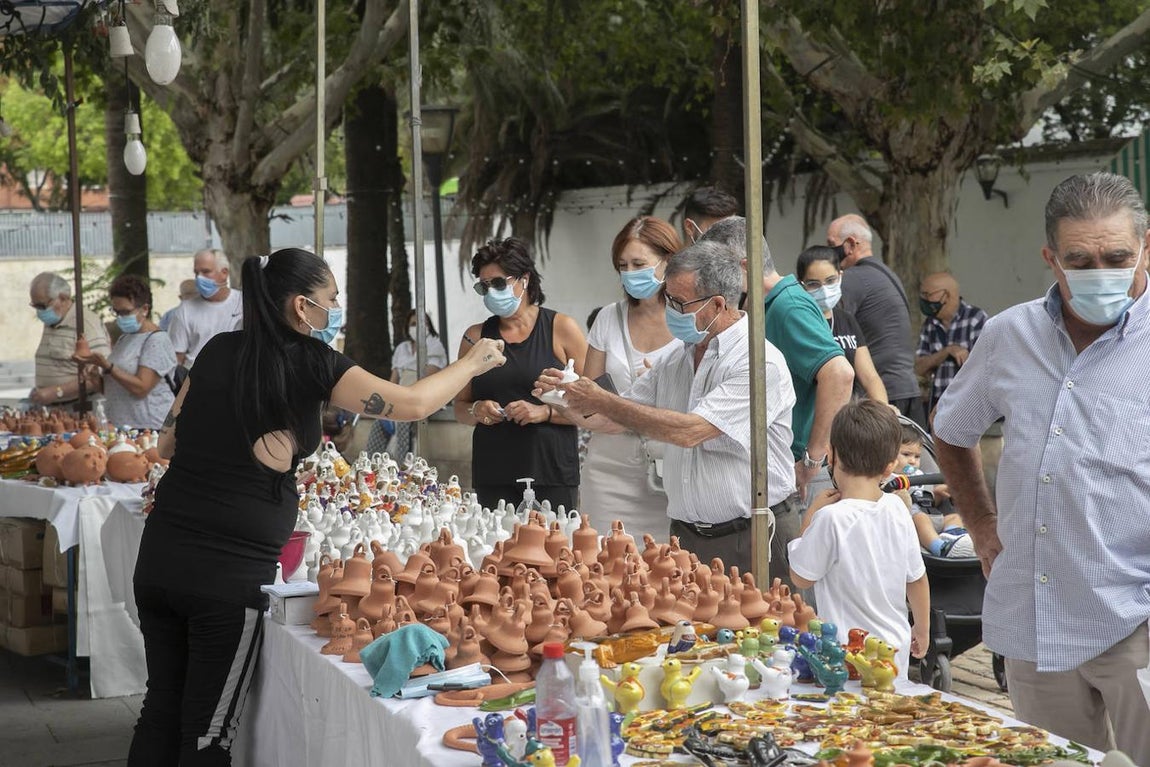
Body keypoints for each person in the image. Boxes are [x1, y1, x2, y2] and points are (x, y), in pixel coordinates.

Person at [128, 247, 505, 766]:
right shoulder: (311, 361)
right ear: (302, 307)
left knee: (161, 706)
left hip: (161, 557)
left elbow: (165, 446)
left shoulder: (217, 349)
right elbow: (414, 404)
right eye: (331, 301)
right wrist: (474, 362)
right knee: (206, 731)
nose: (335, 311)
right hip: (225, 576)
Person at [933, 171, 1150, 761]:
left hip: (1136, 616)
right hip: (1035, 617)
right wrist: (979, 522)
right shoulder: (1010, 335)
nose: (1102, 271)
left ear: (1147, 248)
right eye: (1081, 259)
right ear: (1051, 258)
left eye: (1118, 257)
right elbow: (952, 431)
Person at [536, 239, 796, 573]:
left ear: (717, 305)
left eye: (677, 302)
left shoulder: (757, 361)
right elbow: (618, 417)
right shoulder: (678, 355)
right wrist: (566, 399)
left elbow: (692, 431)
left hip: (752, 535)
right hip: (688, 538)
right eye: (667, 297)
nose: (668, 309)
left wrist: (598, 397)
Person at [701, 218, 853, 585]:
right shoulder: (770, 303)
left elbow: (839, 374)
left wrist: (812, 458)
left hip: (804, 472)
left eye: (715, 269)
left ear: (741, 265)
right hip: (795, 468)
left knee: (800, 597)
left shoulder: (787, 306)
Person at [788, 399, 930, 679]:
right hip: (893, 651)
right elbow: (916, 578)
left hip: (846, 655)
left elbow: (801, 577)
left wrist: (811, 516)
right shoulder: (897, 509)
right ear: (890, 466)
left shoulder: (830, 519)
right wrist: (922, 629)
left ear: (831, 456)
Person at [453, 238, 588, 512]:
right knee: (496, 551)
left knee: (553, 550)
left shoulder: (561, 328)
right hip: (494, 473)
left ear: (524, 280)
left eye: (499, 283)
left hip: (551, 470)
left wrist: (544, 413)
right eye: (484, 286)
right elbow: (459, 408)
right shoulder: (475, 337)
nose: (492, 292)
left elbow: (595, 404)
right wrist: (477, 409)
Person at [580, 216, 683, 539]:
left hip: (673, 470)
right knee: (604, 562)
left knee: (673, 574)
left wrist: (662, 389)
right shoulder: (609, 317)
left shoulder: (690, 319)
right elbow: (588, 399)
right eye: (623, 265)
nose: (630, 273)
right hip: (609, 467)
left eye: (639, 263)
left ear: (668, 262)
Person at [827, 215, 924, 426]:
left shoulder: (853, 279)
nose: (827, 255)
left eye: (831, 245)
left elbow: (827, 324)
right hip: (906, 388)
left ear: (850, 244)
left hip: (881, 397)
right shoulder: (886, 274)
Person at [72, 275, 177, 430]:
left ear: (145, 309)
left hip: (151, 426)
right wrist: (96, 379)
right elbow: (117, 388)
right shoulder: (125, 338)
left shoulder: (156, 340)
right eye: (117, 312)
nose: (120, 318)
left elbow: (141, 388)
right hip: (121, 425)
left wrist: (107, 366)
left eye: (126, 312)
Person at [796, 245, 889, 404]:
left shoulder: (847, 320)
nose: (824, 290)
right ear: (801, 284)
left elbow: (869, 377)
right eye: (813, 284)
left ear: (840, 276)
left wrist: (885, 409)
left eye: (830, 281)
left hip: (847, 419)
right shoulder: (798, 322)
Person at [364, 310, 449, 456]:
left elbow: (429, 378)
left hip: (423, 397)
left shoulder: (435, 346)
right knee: (379, 422)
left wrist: (405, 397)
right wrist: (387, 402)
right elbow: (393, 381)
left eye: (421, 323)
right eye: (413, 324)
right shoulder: (401, 349)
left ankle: (401, 467)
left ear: (428, 326)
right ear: (407, 327)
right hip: (400, 398)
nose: (417, 327)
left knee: (403, 417)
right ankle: (372, 466)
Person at [27, 271, 111, 407]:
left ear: (63, 298)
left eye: (42, 306)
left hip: (78, 408)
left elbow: (100, 373)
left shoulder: (85, 323)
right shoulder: (53, 320)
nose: (39, 311)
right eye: (35, 306)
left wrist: (58, 391)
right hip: (52, 408)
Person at [914, 272, 988, 415]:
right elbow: (919, 368)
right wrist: (947, 352)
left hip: (969, 405)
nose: (924, 299)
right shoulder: (930, 324)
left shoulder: (976, 319)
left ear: (946, 295)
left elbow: (985, 367)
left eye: (927, 294)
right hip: (938, 405)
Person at [893, 425, 972, 558]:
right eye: (906, 455)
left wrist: (937, 494)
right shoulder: (891, 477)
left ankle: (955, 537)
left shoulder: (921, 475)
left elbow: (926, 498)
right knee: (920, 518)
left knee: (954, 517)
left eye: (917, 456)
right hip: (913, 519)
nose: (912, 461)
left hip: (932, 514)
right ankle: (939, 548)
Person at [168, 249, 243, 368]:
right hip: (196, 380)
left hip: (238, 378)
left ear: (224, 272)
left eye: (206, 271)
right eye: (196, 273)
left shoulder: (244, 303)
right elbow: (176, 358)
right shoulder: (185, 309)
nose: (199, 278)